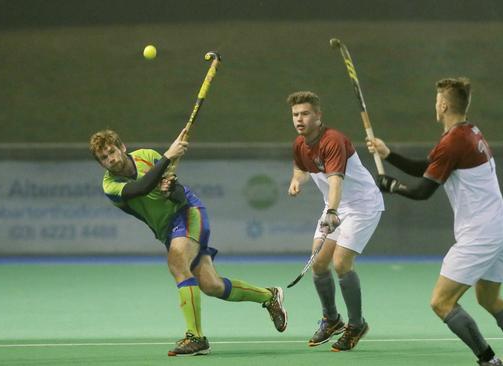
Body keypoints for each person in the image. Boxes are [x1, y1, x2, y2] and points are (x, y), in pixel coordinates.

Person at [366, 77, 503, 366]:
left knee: (441, 302)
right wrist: (389, 155)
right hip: (500, 229)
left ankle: (489, 361)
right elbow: (430, 166)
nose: (435, 105)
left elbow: (423, 191)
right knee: (489, 300)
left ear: (444, 104)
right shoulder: (470, 132)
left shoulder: (452, 142)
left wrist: (392, 186)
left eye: (437, 100)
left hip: (480, 235)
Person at [89, 128, 287, 357]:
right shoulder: (110, 186)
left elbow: (179, 194)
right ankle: (269, 296)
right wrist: (169, 156)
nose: (111, 159)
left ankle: (196, 337)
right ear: (101, 164)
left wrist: (170, 189)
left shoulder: (147, 156)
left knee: (176, 263)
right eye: (104, 158)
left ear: (122, 147)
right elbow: (141, 188)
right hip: (167, 231)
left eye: (112, 151)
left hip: (188, 213)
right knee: (212, 285)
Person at [286, 91, 384, 352]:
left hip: (362, 206)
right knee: (318, 263)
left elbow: (336, 180)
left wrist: (332, 210)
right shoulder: (299, 143)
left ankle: (356, 324)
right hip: (336, 206)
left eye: (305, 113)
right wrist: (297, 180)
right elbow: (301, 167)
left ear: (318, 116)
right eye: (296, 114)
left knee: (341, 262)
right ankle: (331, 320)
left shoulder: (333, 141)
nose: (299, 119)